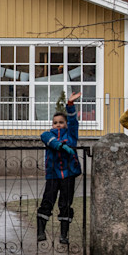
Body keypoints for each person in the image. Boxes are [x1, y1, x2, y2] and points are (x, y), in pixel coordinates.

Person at [37, 92, 82, 244]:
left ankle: (64, 235)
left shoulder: (71, 135)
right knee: (47, 201)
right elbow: (47, 139)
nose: (58, 125)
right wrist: (61, 147)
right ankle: (40, 231)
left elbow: (73, 121)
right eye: (55, 122)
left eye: (61, 122)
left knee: (65, 204)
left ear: (66, 124)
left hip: (68, 174)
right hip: (53, 175)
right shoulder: (48, 135)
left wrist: (70, 105)